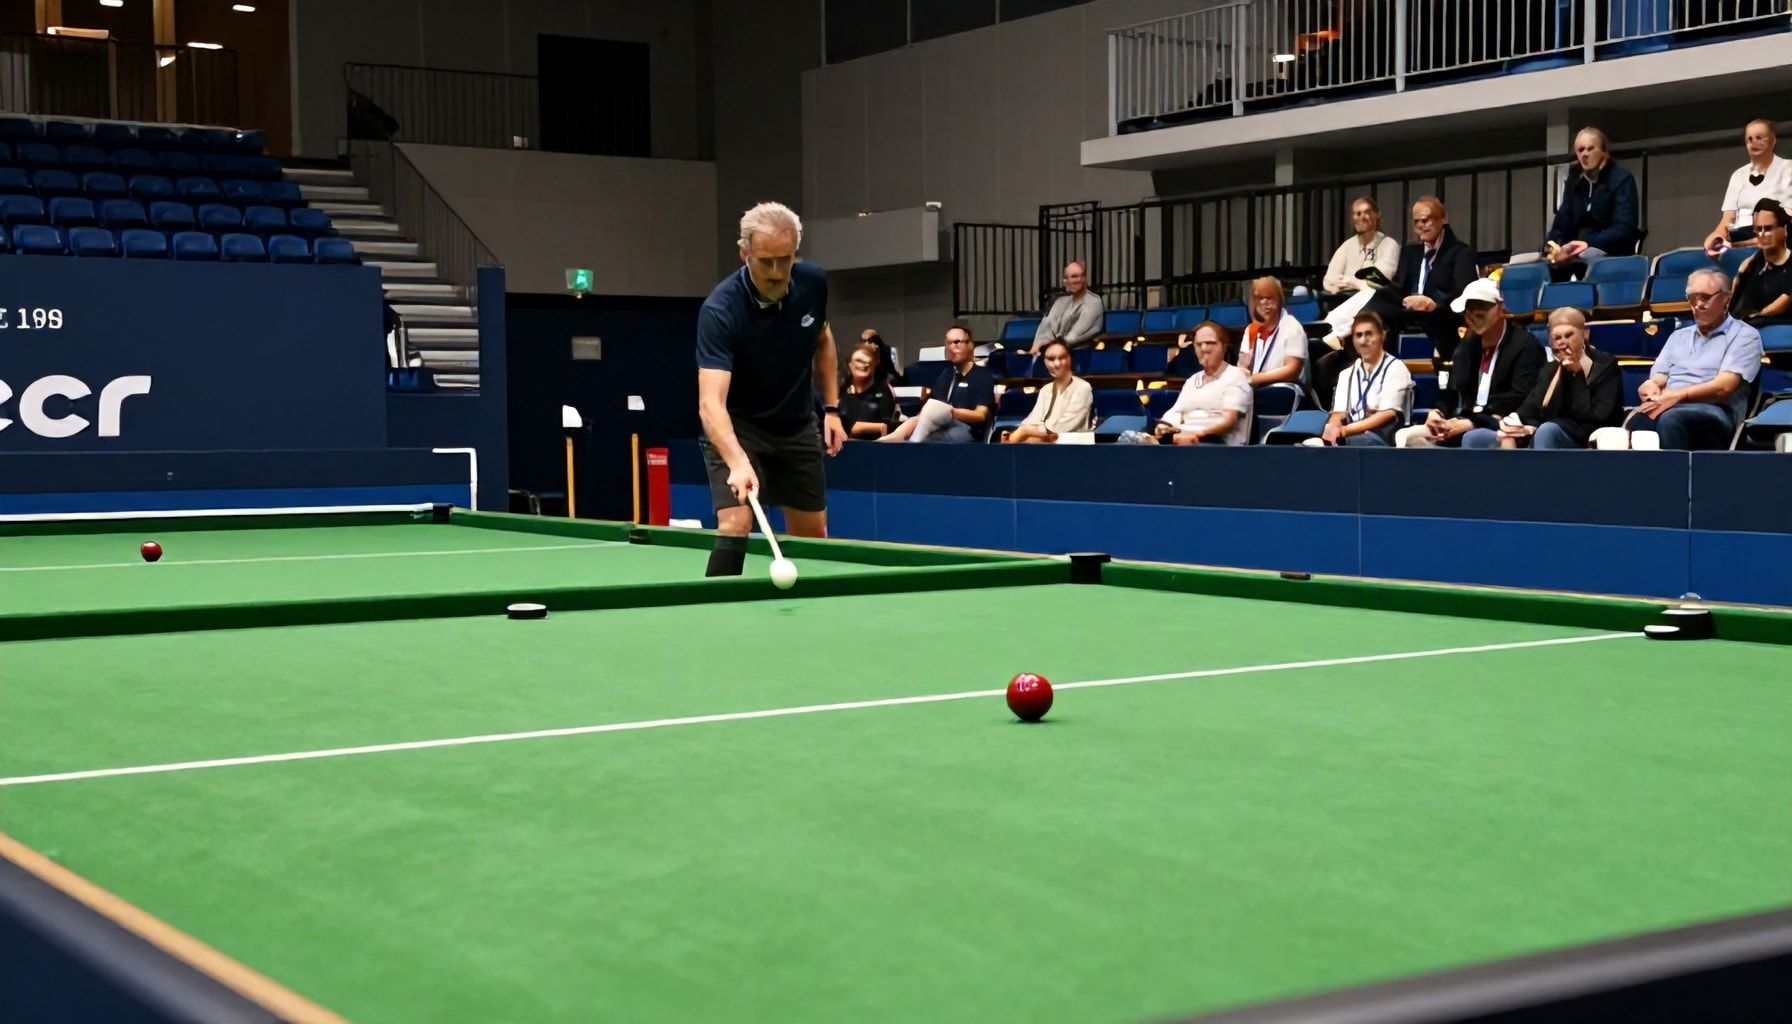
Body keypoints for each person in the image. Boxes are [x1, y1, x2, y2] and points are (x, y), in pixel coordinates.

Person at [696, 201, 846, 577]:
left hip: (796, 426)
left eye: (786, 259)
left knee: (813, 535)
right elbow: (710, 404)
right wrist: (737, 461)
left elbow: (823, 338)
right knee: (735, 525)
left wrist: (831, 408)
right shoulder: (721, 310)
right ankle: (717, 606)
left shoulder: (813, 282)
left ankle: (815, 610)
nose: (777, 273)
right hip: (739, 427)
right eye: (766, 262)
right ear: (744, 252)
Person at [1625, 268, 1763, 450]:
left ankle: (1675, 470)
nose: (1697, 305)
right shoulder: (1678, 336)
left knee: (1671, 420)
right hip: (1670, 405)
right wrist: (1651, 386)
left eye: (1705, 297)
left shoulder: (1744, 335)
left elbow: (1723, 388)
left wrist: (1677, 395)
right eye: (1692, 299)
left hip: (1717, 410)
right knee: (1637, 421)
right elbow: (1659, 377)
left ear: (1725, 298)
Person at [1398, 278, 1543, 448]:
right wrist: (1438, 413)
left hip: (1504, 422)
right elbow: (1453, 391)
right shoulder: (1467, 344)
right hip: (1464, 419)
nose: (1474, 316)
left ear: (1500, 307)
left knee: (1473, 437)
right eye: (1469, 311)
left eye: (1481, 310)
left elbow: (1519, 397)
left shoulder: (1525, 344)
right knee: (1406, 437)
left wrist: (1474, 421)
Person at [1358, 196, 1477, 376]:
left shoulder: (1460, 253)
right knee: (1372, 296)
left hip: (1439, 317)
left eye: (1426, 220)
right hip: (1407, 314)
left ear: (1442, 219)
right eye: (1417, 221)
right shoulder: (1410, 252)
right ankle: (1350, 338)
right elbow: (1399, 288)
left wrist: (1433, 305)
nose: (1421, 225)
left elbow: (1465, 297)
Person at [1494, 307, 1623, 450]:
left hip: (1589, 436)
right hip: (1554, 429)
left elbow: (1597, 415)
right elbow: (1533, 407)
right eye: (1557, 338)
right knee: (1487, 435)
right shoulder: (1551, 368)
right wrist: (1515, 423)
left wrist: (1577, 372)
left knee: (1547, 431)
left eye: (1568, 335)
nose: (1562, 343)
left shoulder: (1605, 365)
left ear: (1585, 334)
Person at [1539, 127, 1639, 278]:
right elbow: (1562, 222)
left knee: (1586, 261)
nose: (1585, 154)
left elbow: (1624, 228)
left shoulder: (1622, 179)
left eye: (1590, 149)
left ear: (1604, 151)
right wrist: (1552, 247)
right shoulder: (1575, 181)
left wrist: (1587, 243)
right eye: (1580, 150)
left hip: (1611, 254)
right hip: (1576, 254)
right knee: (1542, 268)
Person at [1316, 196, 1401, 358]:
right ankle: (1332, 332)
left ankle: (1334, 331)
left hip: (1376, 305)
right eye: (1357, 213)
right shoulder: (1347, 246)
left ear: (1377, 215)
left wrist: (1347, 280)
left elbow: (1379, 279)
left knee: (1370, 291)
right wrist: (1357, 282)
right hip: (1344, 301)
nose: (1362, 217)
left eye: (1367, 212)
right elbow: (1329, 281)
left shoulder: (1389, 244)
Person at [880, 323, 996, 443]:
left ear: (970, 345)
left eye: (956, 342)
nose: (951, 348)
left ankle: (912, 442)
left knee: (928, 436)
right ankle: (891, 440)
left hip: (967, 430)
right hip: (941, 425)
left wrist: (950, 412)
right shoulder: (947, 374)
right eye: (948, 343)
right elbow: (931, 410)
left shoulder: (983, 375)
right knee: (915, 420)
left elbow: (980, 415)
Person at [1317, 312, 1412, 446]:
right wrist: (1333, 426)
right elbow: (1338, 413)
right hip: (1349, 436)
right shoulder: (1346, 374)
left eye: (1369, 334)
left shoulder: (1396, 368)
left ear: (1382, 335)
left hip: (1384, 439)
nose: (1363, 340)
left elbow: (1387, 414)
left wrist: (1345, 431)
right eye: (1358, 335)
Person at [1152, 321, 1252, 445]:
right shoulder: (1192, 381)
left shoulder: (1236, 376)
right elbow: (1176, 412)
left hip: (1216, 444)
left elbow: (1228, 421)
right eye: (1199, 344)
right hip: (1183, 440)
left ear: (1224, 346)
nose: (1204, 349)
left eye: (1210, 343)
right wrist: (1163, 426)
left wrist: (1196, 434)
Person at [1704, 118, 1792, 257]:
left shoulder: (1788, 169)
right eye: (1749, 139)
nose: (1754, 142)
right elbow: (1727, 220)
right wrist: (1717, 238)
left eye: (1759, 137)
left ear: (1772, 140)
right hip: (1739, 237)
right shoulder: (1738, 175)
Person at [1003, 340, 1093, 443]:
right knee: (1019, 438)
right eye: (1051, 359)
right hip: (1048, 441)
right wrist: (1021, 431)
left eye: (1062, 357)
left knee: (1029, 439)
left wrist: (1025, 431)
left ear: (1070, 358)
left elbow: (1063, 427)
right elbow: (1033, 420)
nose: (1057, 364)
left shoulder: (1083, 387)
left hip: (1074, 444)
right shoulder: (1045, 390)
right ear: (1044, 362)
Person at [1730, 199, 1792, 328]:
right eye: (1758, 229)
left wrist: (1753, 318)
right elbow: (1733, 307)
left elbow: (1781, 304)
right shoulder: (1750, 266)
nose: (1762, 234)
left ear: (1785, 229)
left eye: (1768, 228)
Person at [1238, 276, 1306, 388]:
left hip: (1286, 388)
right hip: (1255, 388)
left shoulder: (1292, 326)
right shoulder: (1250, 330)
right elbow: (1242, 367)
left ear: (1279, 300)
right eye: (1259, 298)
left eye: (1269, 298)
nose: (1264, 303)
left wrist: (1254, 379)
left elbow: (1292, 370)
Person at [1026, 260, 1105, 353]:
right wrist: (1035, 349)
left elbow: (1075, 336)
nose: (1076, 280)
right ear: (1065, 281)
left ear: (1084, 278)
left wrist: (1049, 347)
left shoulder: (1094, 302)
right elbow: (1046, 327)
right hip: (1053, 350)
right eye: (1070, 277)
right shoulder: (1061, 302)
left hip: (1080, 353)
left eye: (1079, 276)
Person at [838, 340, 900, 439]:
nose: (864, 365)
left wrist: (855, 428)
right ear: (850, 364)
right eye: (859, 361)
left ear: (874, 365)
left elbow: (885, 426)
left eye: (868, 362)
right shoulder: (840, 390)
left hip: (873, 444)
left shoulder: (884, 390)